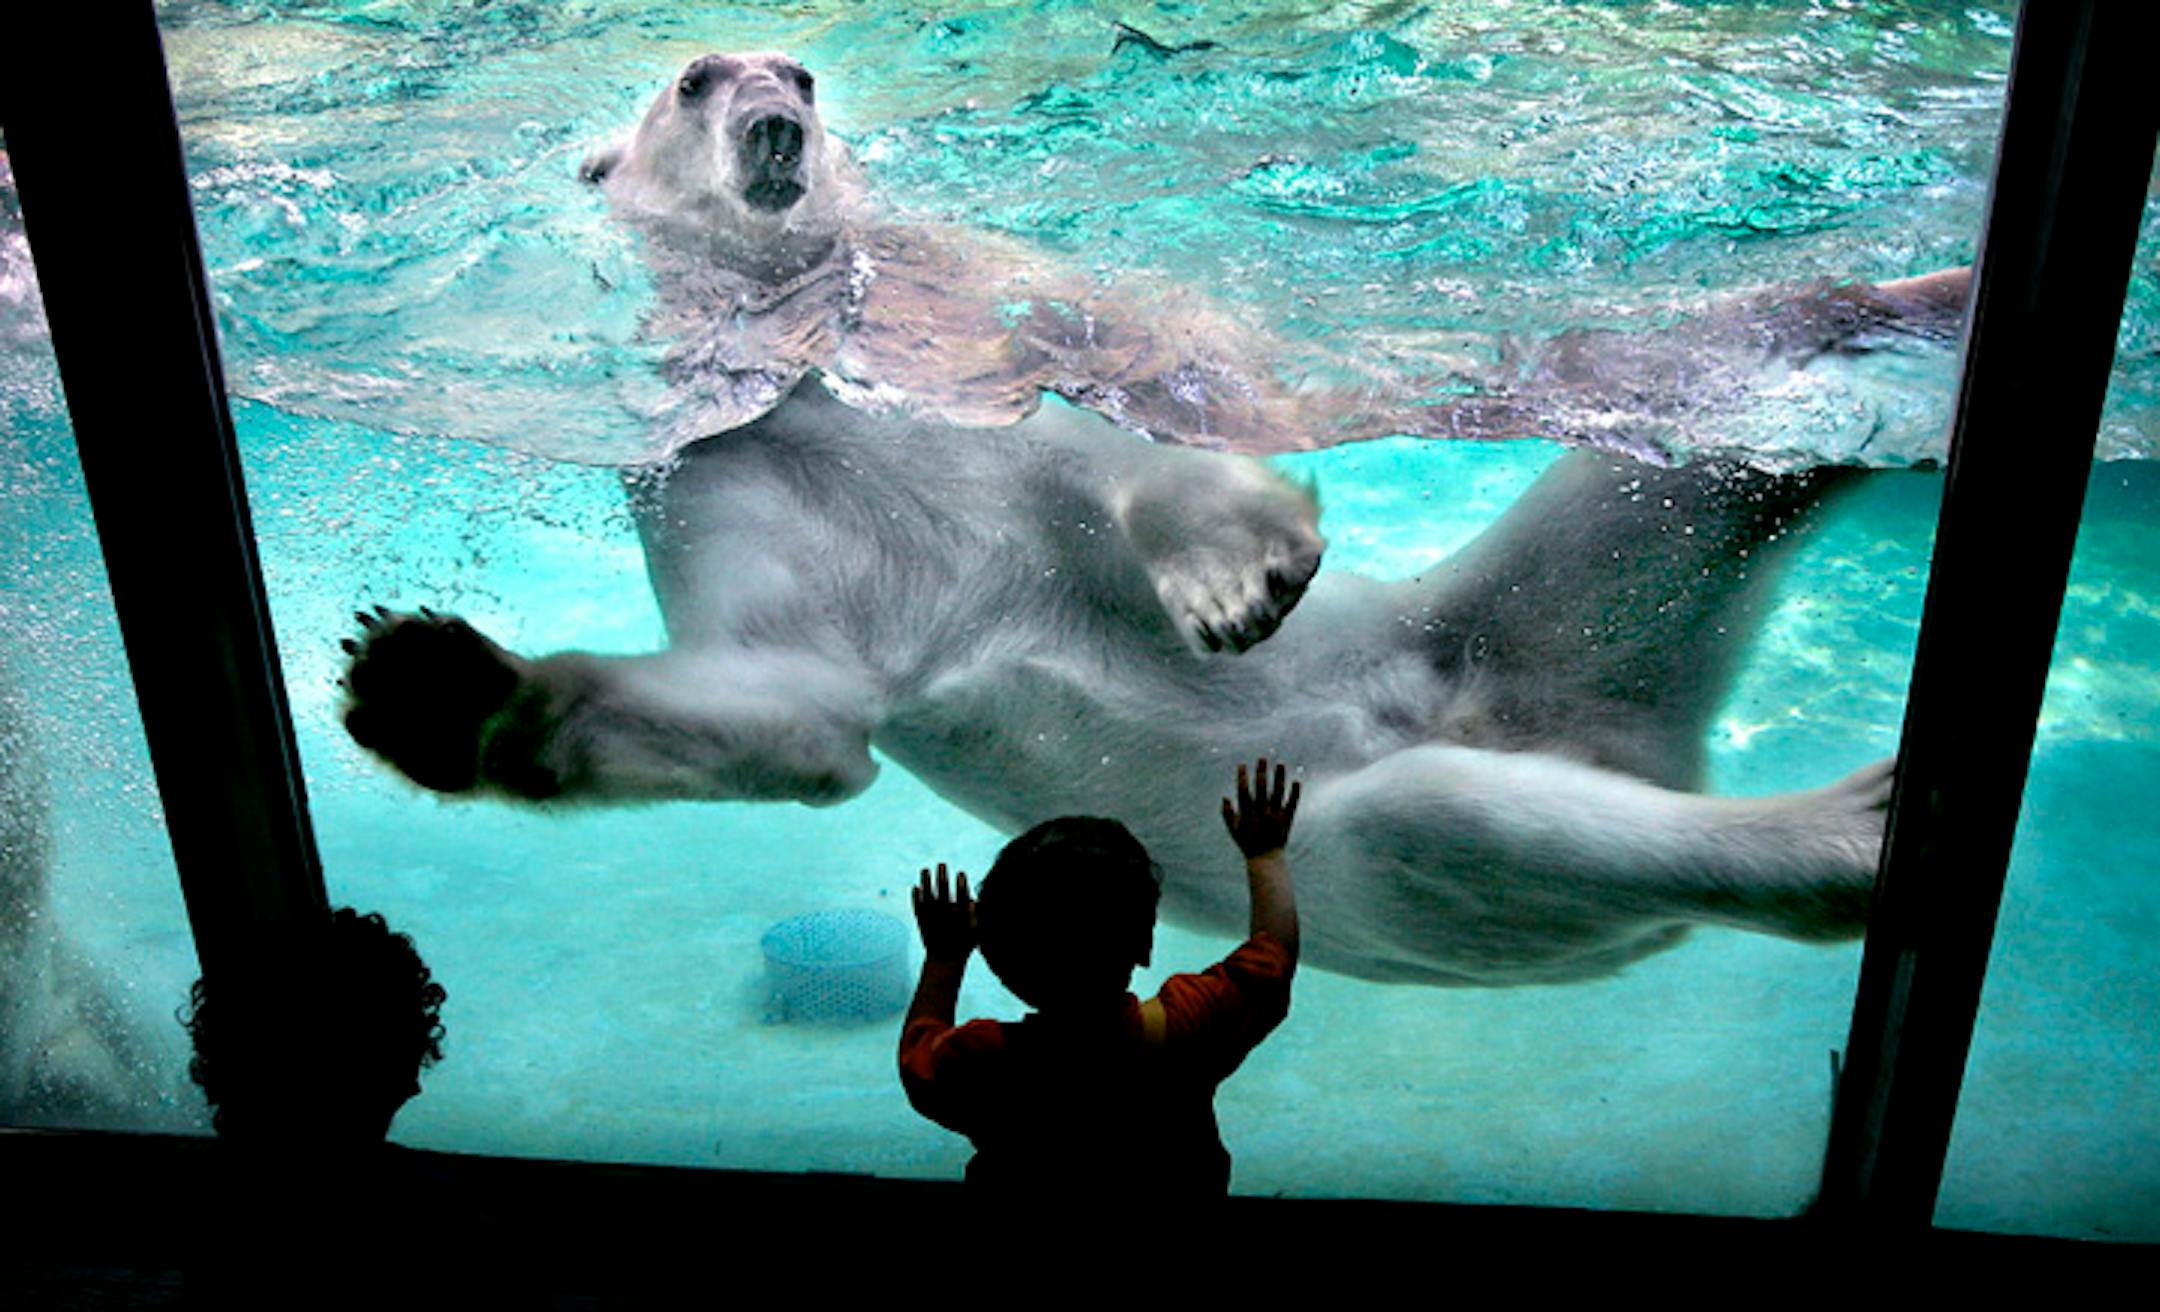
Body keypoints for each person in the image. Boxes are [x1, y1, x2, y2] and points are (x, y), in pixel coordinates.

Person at [898, 757, 1300, 1199]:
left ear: (995, 960)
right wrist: (1265, 856)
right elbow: (1272, 963)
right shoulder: (1190, 1026)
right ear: (1145, 944)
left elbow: (919, 1058)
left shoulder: (981, 1062)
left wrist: (944, 958)